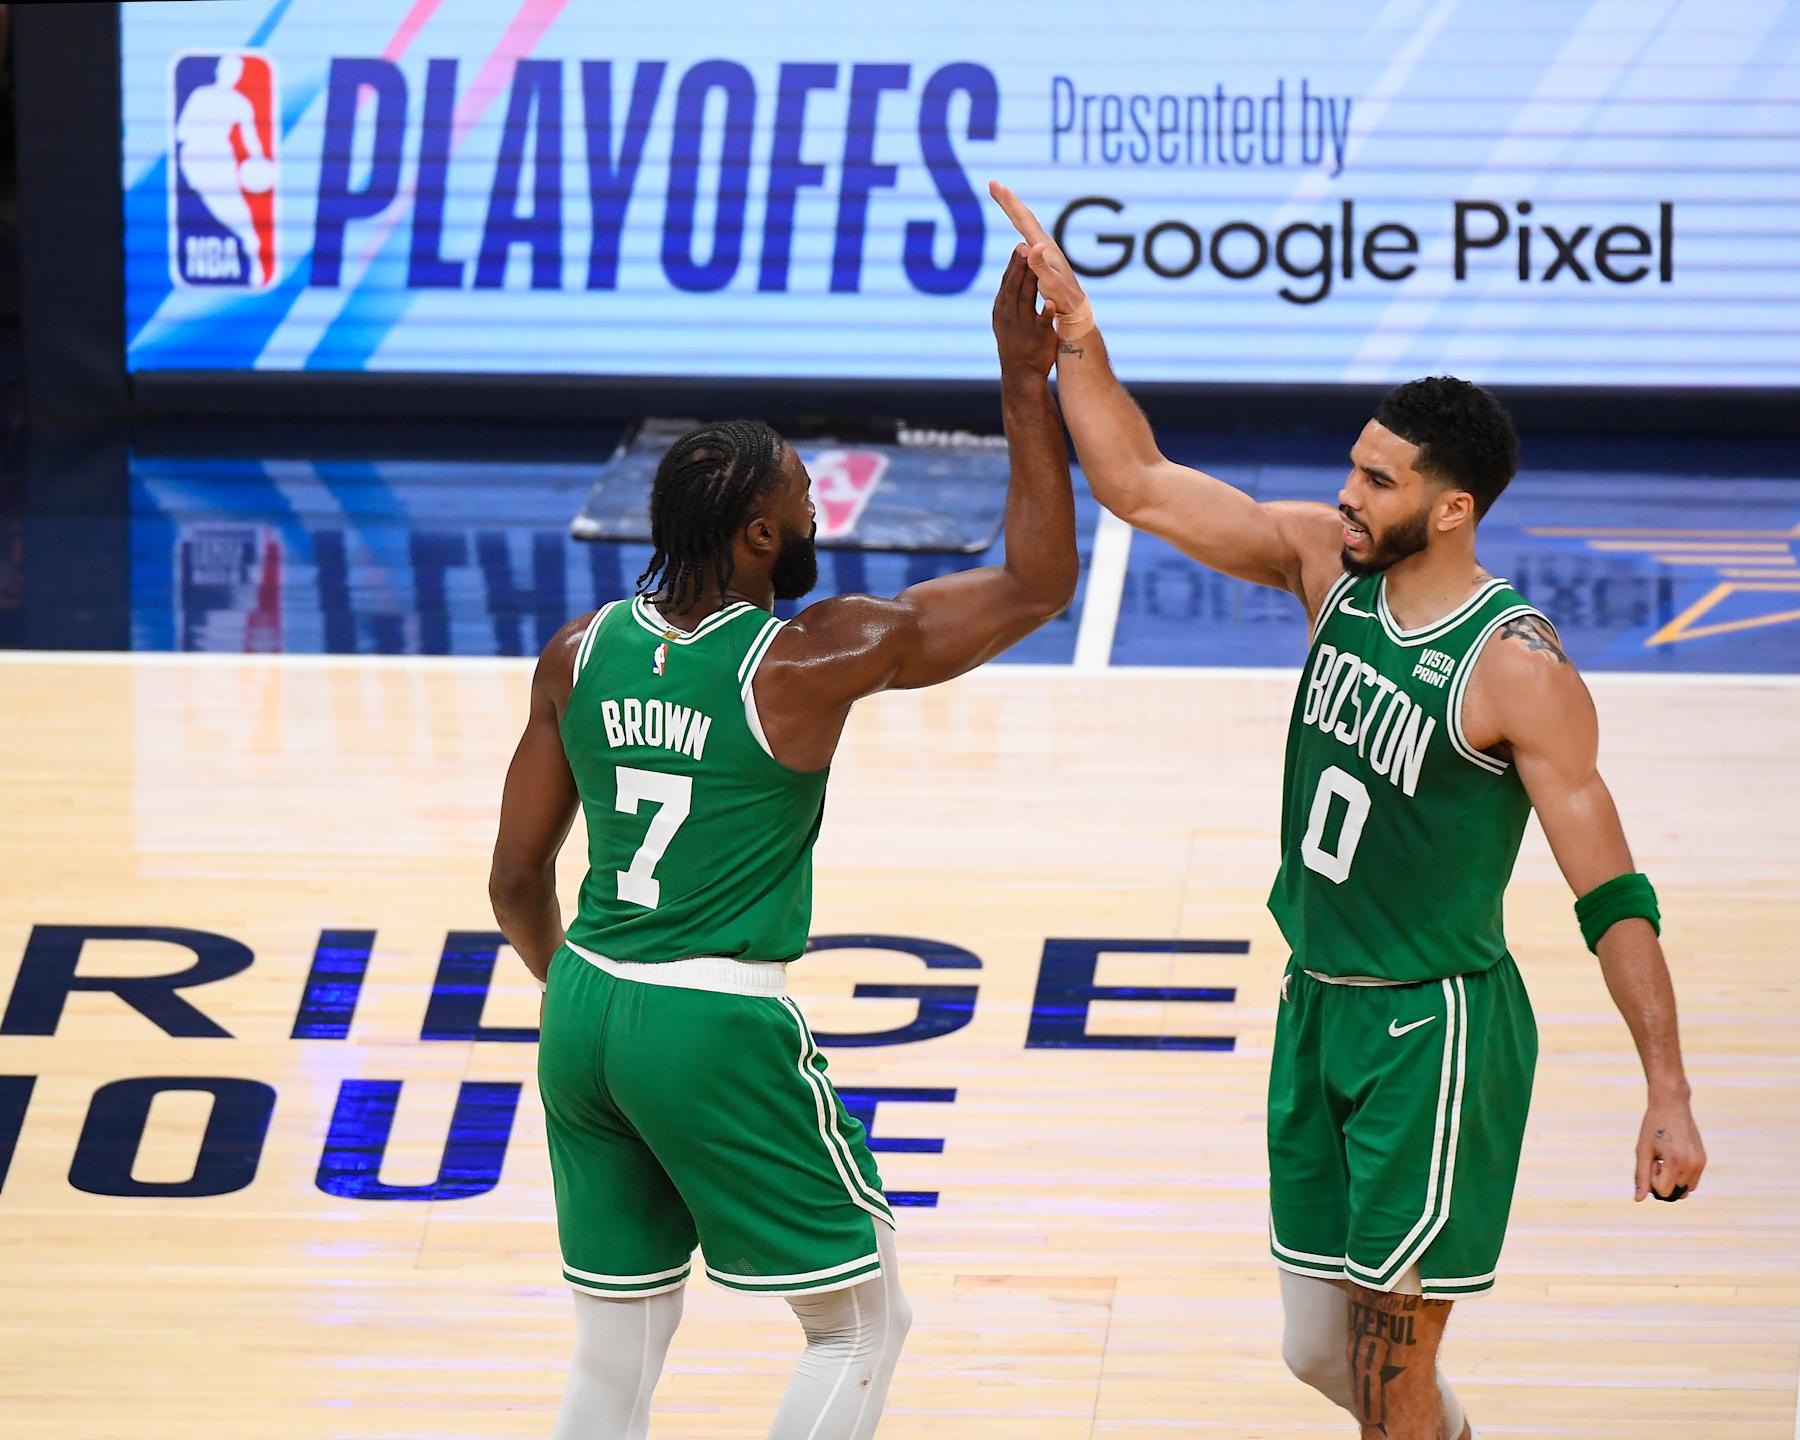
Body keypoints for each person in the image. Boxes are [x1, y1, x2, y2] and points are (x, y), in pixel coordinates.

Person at [988, 182, 1706, 1440]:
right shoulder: (1330, 569)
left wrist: (1669, 1088)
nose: (1346, 494)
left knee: (1385, 1381)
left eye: (1376, 480)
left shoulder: (1514, 670)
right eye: (1352, 468)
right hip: (1319, 1000)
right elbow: (1142, 484)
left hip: (1431, 1033)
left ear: (1452, 509)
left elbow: (1612, 890)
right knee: (1319, 1351)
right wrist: (1081, 341)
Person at [487, 247, 1075, 1440]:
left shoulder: (576, 651)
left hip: (587, 1007)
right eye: (806, 494)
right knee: (859, 1323)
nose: (819, 509)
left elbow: (511, 880)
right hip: (712, 1019)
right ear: (761, 534)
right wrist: (1024, 375)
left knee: (617, 1348)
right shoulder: (808, 658)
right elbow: (1033, 582)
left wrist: (594, 993)